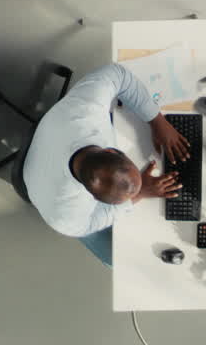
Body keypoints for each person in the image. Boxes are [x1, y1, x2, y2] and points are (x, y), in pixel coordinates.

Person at [21, 63, 190, 268]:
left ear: (110, 151)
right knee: (116, 261)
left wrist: (157, 121)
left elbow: (118, 74)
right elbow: (89, 224)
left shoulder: (85, 110)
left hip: (49, 146)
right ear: (90, 197)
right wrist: (140, 193)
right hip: (36, 184)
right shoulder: (67, 216)